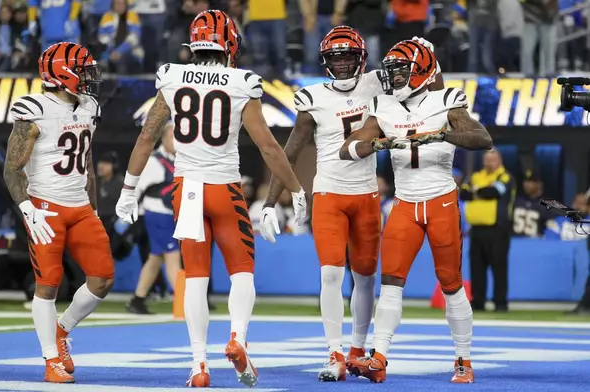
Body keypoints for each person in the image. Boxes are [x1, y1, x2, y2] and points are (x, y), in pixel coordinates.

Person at [113, 10, 307, 388]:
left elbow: (145, 138)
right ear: (229, 44)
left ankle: (198, 365)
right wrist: (296, 189)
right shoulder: (241, 81)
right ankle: (237, 337)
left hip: (184, 191)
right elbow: (267, 147)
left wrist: (127, 189)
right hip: (224, 188)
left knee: (196, 278)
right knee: (242, 272)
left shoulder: (171, 77)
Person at [260, 28, 438, 382]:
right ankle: (334, 352)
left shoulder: (378, 82)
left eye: (347, 57)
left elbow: (428, 87)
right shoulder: (312, 97)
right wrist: (269, 202)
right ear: (325, 62)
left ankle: (358, 349)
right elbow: (289, 152)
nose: (341, 65)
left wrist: (428, 56)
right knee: (329, 272)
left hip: (367, 193)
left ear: (361, 59)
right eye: (335, 58)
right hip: (328, 192)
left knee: (366, 277)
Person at [339, 40, 493, 384]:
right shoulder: (383, 105)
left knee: (451, 283)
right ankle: (378, 358)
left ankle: (463, 359)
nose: (393, 77)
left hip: (440, 200)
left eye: (400, 70)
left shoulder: (447, 100)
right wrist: (378, 144)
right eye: (391, 71)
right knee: (390, 281)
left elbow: (483, 139)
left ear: (421, 70)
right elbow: (347, 150)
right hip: (404, 203)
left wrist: (442, 134)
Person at [3, 42, 113, 384]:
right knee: (47, 286)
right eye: (82, 70)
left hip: (79, 207)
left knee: (103, 278)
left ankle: (62, 330)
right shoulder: (34, 109)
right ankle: (51, 359)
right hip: (45, 207)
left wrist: (93, 205)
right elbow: (11, 168)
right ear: (62, 73)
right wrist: (26, 208)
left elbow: (87, 162)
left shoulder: (89, 107)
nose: (88, 76)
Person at [126, 122, 182, 314]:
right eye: (173, 136)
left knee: (155, 258)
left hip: (169, 215)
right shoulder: (154, 161)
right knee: (173, 256)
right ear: (164, 138)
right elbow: (138, 188)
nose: (177, 141)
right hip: (157, 214)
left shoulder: (178, 161)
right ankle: (183, 303)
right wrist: (135, 214)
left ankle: (138, 299)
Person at [461, 149, 515, 312]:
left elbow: (494, 192)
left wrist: (476, 191)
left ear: (499, 160)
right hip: (476, 229)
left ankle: (500, 302)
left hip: (497, 229)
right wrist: (481, 190)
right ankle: (478, 301)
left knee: (499, 267)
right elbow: (464, 193)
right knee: (477, 267)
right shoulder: (476, 176)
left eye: (492, 160)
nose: (488, 163)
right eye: (486, 160)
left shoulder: (505, 177)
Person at [512, 170, 552, 237]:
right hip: (515, 242)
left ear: (539, 184)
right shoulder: (516, 201)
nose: (526, 184)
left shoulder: (546, 205)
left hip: (536, 244)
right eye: (525, 181)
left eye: (531, 181)